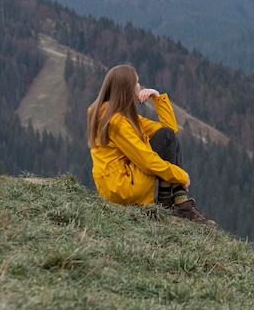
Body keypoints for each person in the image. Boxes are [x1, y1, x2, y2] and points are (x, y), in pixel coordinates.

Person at [87, 64, 215, 226]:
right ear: (127, 88)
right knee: (161, 146)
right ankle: (177, 204)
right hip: (123, 187)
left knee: (166, 136)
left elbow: (169, 131)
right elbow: (146, 161)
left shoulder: (115, 115)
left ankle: (170, 203)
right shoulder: (117, 122)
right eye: (137, 82)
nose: (140, 86)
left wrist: (157, 98)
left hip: (114, 186)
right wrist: (180, 175)